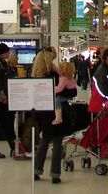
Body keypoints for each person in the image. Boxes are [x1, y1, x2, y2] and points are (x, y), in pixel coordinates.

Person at [32, 50, 75, 184]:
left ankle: (37, 171)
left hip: (43, 112)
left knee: (44, 141)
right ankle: (55, 174)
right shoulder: (56, 76)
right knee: (57, 142)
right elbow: (70, 92)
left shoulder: (35, 77)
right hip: (57, 112)